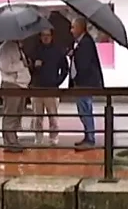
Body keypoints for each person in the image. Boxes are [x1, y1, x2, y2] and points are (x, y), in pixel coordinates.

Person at [68, 18, 104, 150]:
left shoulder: (86, 43)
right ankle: (87, 135)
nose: (71, 31)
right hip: (81, 83)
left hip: (85, 83)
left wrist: (74, 55)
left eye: (73, 27)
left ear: (80, 28)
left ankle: (90, 138)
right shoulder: (81, 43)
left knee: (86, 110)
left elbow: (83, 64)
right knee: (82, 110)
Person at [30, 29, 69, 145]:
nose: (46, 37)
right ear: (40, 37)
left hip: (52, 88)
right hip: (37, 88)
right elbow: (28, 68)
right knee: (37, 116)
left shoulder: (58, 51)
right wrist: (34, 66)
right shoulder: (35, 51)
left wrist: (57, 81)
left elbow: (65, 69)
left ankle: (53, 138)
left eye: (48, 35)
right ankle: (38, 138)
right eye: (43, 35)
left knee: (53, 115)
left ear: (52, 36)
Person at [0, 39, 31, 153]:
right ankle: (10, 142)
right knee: (11, 113)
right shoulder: (6, 47)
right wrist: (21, 65)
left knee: (17, 113)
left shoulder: (16, 47)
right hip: (12, 84)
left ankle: (13, 140)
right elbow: (4, 66)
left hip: (20, 84)